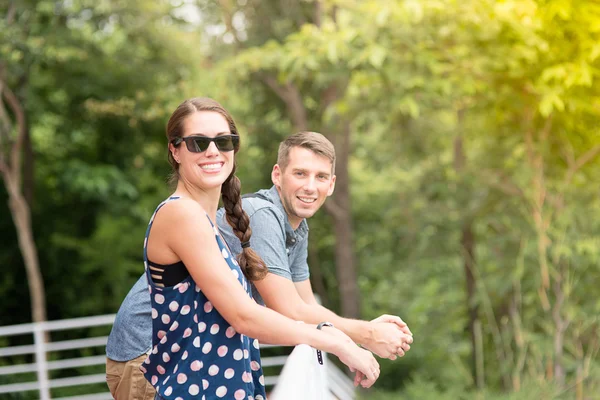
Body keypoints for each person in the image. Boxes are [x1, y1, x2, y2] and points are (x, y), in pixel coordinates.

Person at [106, 128, 411, 400]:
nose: (310, 186)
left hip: (194, 358)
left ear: (331, 185)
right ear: (277, 175)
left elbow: (305, 305)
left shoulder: (296, 227)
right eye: (300, 174)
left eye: (320, 177)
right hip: (152, 357)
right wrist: (365, 337)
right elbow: (288, 311)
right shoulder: (263, 217)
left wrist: (356, 333)